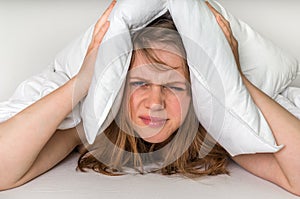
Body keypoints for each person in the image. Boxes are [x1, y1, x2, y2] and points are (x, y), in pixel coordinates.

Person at [0, 1, 299, 196]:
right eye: (140, 82)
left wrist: (238, 82)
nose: (155, 101)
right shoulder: (94, 129)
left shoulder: (216, 135)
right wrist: (82, 82)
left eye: (175, 87)